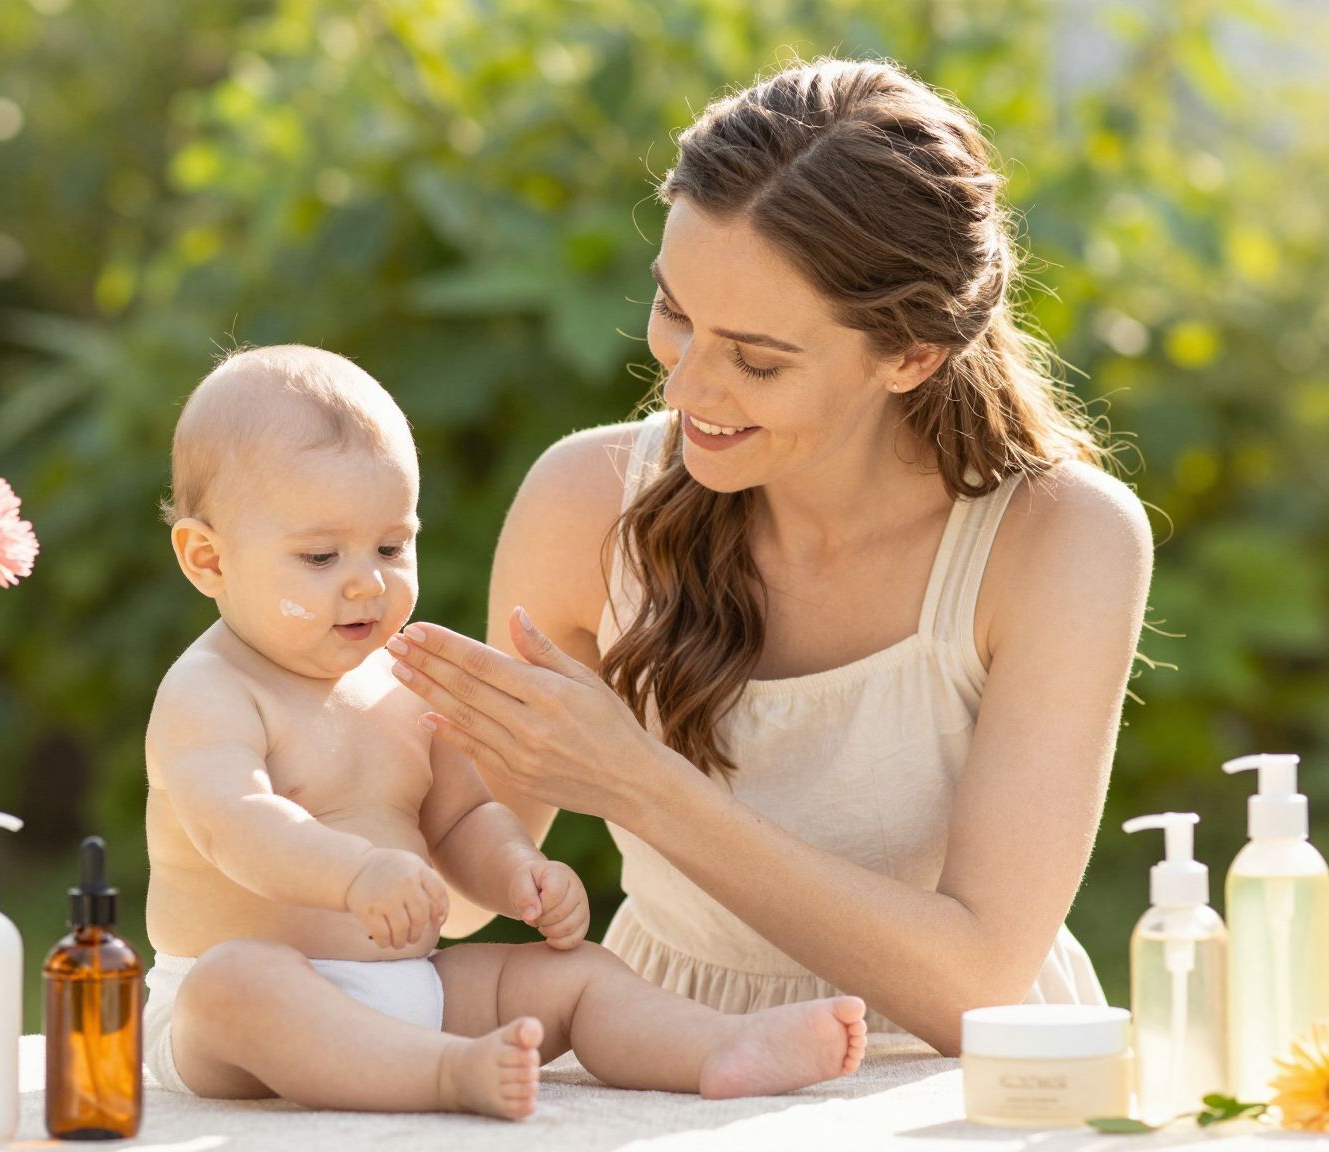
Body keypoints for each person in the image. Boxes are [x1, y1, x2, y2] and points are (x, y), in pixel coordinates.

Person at [387, 58, 1155, 1056]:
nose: (685, 390)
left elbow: (976, 983)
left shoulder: (1058, 539)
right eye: (674, 314)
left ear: (909, 355)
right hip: (667, 1053)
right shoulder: (582, 507)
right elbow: (454, 891)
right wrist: (319, 772)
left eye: (756, 360)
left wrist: (639, 785)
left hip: (963, 1081)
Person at [141, 344, 868, 1118]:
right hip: (240, 1019)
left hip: (409, 988)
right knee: (240, 983)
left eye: (391, 546)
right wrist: (354, 876)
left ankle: (716, 1047)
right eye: (320, 556)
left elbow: (461, 817)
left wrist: (518, 871)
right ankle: (446, 1076)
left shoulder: (399, 674)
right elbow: (237, 825)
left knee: (576, 973)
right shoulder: (212, 691)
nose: (368, 581)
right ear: (208, 559)